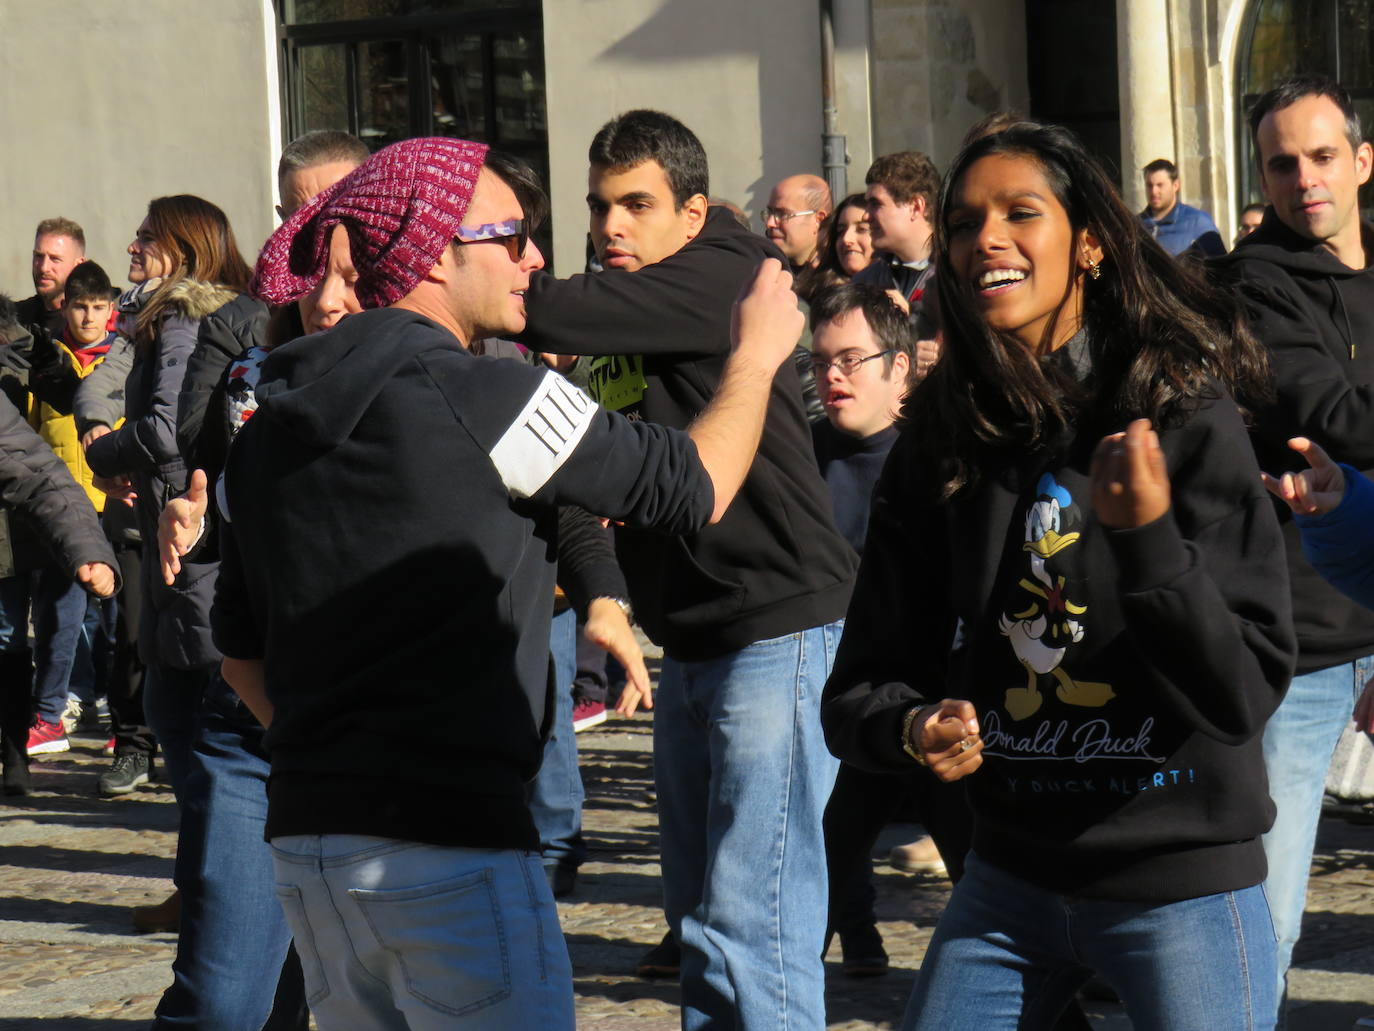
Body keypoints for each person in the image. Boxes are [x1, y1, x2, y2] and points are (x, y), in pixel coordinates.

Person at [214, 134, 806, 1030]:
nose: (535, 256)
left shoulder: (266, 427)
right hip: (452, 845)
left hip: (310, 853)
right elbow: (695, 485)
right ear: (436, 253)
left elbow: (241, 663)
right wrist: (756, 357)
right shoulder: (486, 394)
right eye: (511, 234)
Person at [822, 121, 1294, 1030]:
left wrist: (1151, 540)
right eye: (964, 222)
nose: (984, 239)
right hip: (1009, 880)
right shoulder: (940, 440)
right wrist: (914, 723)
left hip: (1178, 883)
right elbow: (862, 685)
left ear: (1087, 244)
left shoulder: (1179, 413)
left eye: (1019, 213)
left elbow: (1241, 690)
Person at [518, 109, 855, 1028]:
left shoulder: (724, 274)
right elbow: (583, 461)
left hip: (778, 627)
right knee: (702, 919)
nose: (610, 226)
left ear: (695, 210)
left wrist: (471, 270)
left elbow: (538, 306)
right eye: (598, 206)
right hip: (698, 636)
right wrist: (604, 593)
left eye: (635, 204)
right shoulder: (627, 303)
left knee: (756, 923)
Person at [1212, 73, 1374, 1028]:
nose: (1304, 179)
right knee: (1262, 904)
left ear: (1362, 159)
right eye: (1282, 162)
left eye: (1322, 156)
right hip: (1302, 635)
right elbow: (1332, 418)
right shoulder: (1255, 282)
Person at [0, 296, 117, 796]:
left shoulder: (30, 343)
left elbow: (37, 471)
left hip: (21, 527)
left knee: (10, 639)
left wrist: (87, 547)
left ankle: (15, 752)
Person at [18, 218, 86, 344]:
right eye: (38, 256)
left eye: (55, 259)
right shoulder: (14, 319)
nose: (44, 268)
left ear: (78, 265)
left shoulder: (94, 324)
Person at [1139, 158, 1224, 257]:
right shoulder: (1135, 225)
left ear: (1175, 185)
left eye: (1160, 185)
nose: (1154, 191)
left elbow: (1220, 265)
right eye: (1149, 185)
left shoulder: (1198, 222)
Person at [815, 193, 875, 288]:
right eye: (841, 231)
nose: (846, 238)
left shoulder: (900, 293)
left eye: (861, 229)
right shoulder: (816, 293)